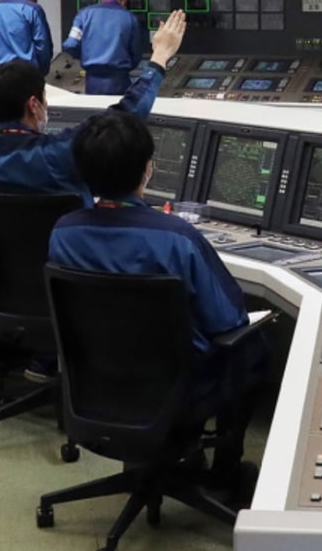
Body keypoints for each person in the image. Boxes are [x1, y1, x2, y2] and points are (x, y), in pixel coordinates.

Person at [49, 110, 266, 497]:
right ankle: (225, 474)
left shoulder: (63, 232)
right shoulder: (177, 238)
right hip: (178, 393)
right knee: (254, 348)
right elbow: (226, 319)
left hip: (94, 386)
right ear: (148, 169)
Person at [0, 10, 186, 203]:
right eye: (44, 97)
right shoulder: (60, 153)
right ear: (34, 105)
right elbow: (124, 118)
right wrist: (159, 58)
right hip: (64, 251)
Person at [62, 0, 145, 95]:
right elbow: (136, 53)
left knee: (95, 112)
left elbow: (70, 44)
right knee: (117, 113)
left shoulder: (84, 15)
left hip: (92, 82)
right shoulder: (130, 19)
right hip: (120, 81)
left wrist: (85, 55)